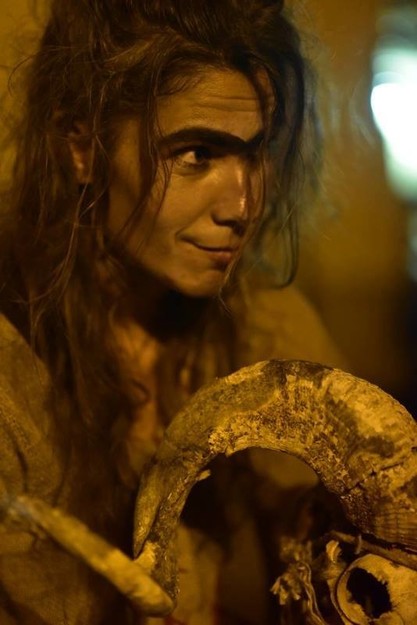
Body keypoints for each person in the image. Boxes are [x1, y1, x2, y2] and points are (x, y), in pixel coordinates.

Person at [0, 1, 347, 623]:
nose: (242, 206)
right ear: (82, 146)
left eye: (258, 152)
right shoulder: (11, 373)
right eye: (197, 155)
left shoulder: (268, 327)